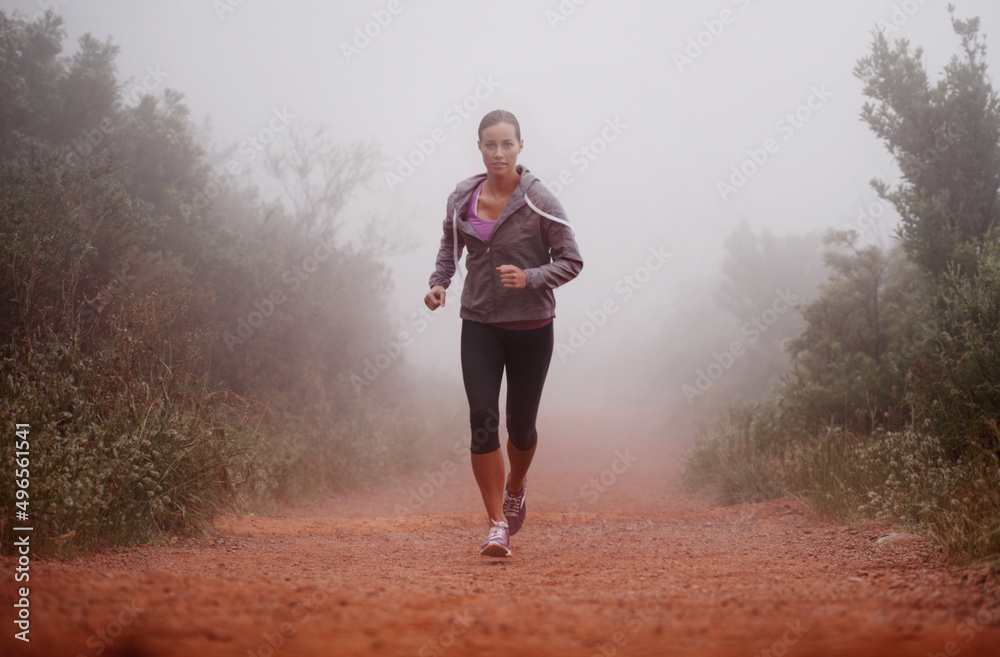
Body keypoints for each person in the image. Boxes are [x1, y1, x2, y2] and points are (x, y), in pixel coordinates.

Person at [424, 109, 583, 557]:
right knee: (481, 420)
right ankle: (497, 523)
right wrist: (439, 284)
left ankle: (516, 486)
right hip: (478, 323)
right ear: (479, 147)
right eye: (490, 144)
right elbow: (449, 247)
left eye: (507, 144)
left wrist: (531, 278)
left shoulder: (540, 200)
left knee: (522, 428)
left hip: (532, 326)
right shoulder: (461, 197)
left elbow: (571, 260)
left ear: (520, 147)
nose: (499, 152)